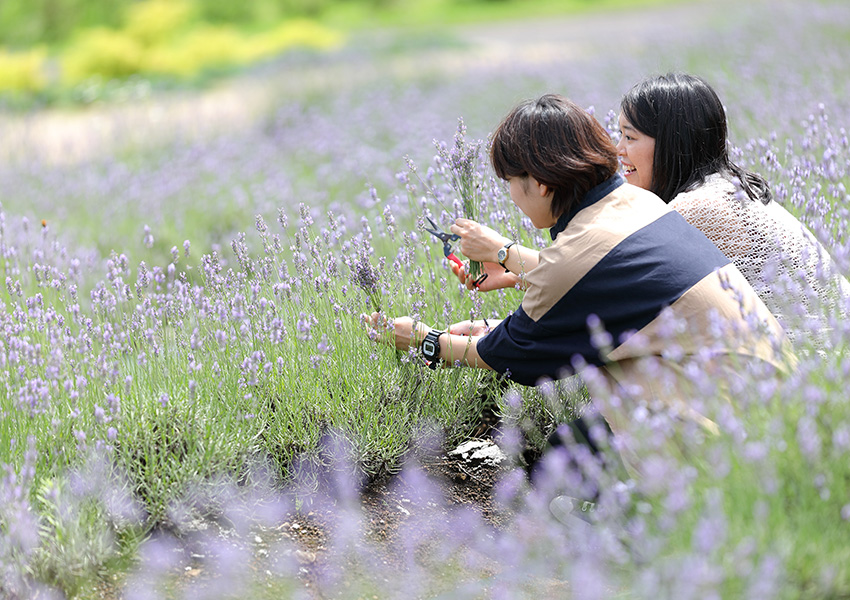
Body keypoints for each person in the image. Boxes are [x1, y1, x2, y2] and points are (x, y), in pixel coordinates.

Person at [363, 94, 790, 476]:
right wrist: (508, 256)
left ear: (542, 183)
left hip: (725, 450)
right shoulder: (640, 204)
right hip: (780, 410)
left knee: (555, 476)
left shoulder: (574, 259)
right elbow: (598, 278)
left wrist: (424, 340)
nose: (511, 193)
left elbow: (511, 354)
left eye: (511, 181)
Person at [452, 73, 849, 348]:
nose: (617, 150)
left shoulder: (698, 209)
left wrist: (504, 257)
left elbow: (606, 293)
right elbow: (604, 281)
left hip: (811, 377)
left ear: (672, 143)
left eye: (629, 136)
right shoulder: (723, 188)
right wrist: (511, 268)